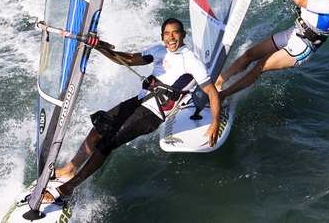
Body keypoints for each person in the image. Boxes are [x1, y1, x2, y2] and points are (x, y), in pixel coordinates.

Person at [44, 18, 221, 203]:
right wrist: (98, 47)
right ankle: (70, 169)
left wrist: (215, 122)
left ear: (183, 35)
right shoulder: (159, 51)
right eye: (167, 34)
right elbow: (126, 59)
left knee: (108, 142)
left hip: (153, 113)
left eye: (175, 32)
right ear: (162, 37)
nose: (171, 37)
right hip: (139, 101)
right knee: (98, 129)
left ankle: (68, 188)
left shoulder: (191, 60)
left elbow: (211, 91)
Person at [215, 0, 329, 99]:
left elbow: (300, 1)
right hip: (293, 33)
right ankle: (218, 82)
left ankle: (222, 95)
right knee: (249, 54)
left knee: (260, 67)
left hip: (302, 47)